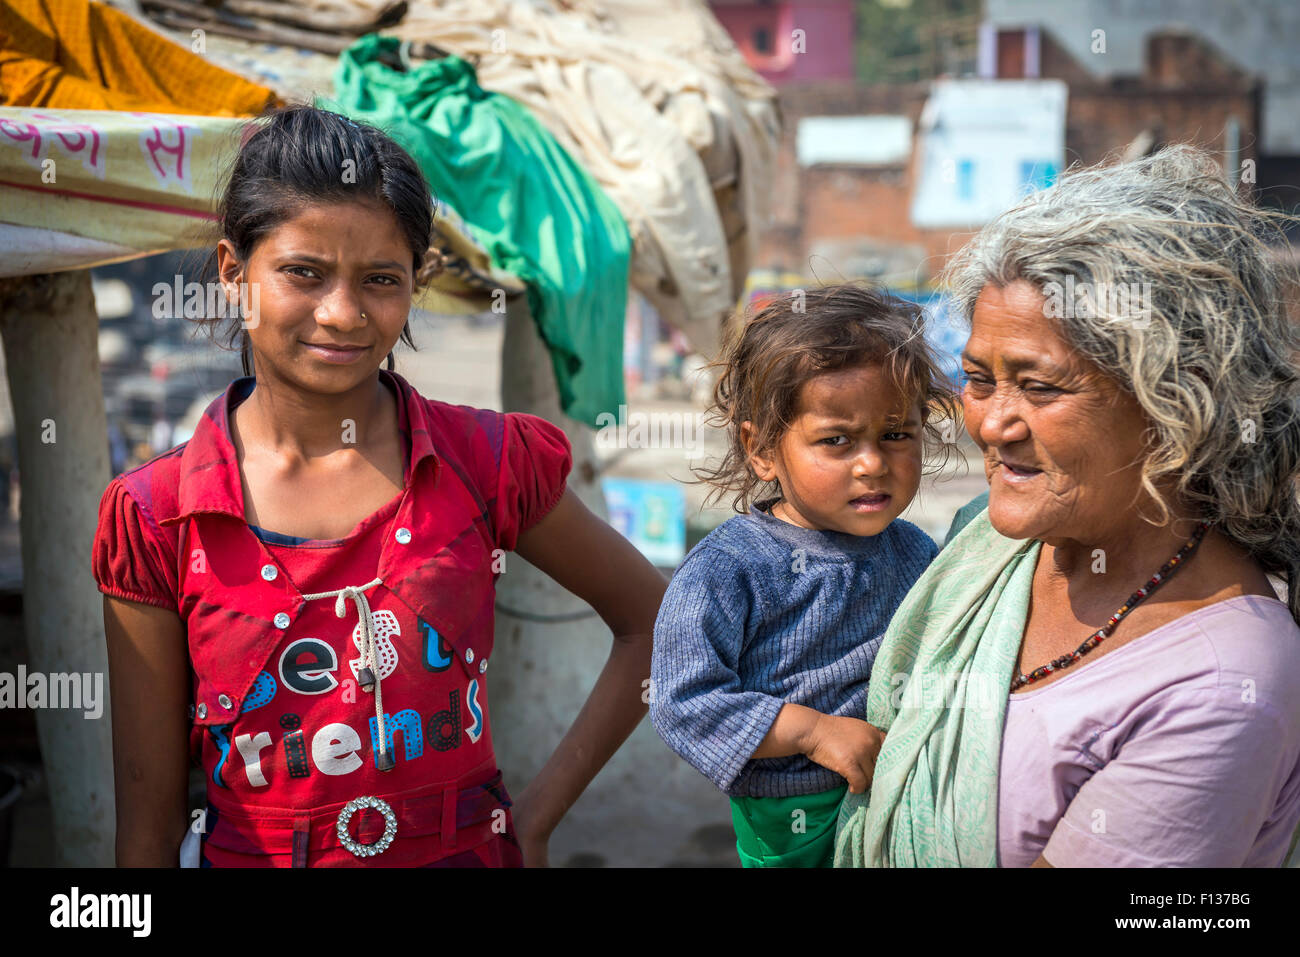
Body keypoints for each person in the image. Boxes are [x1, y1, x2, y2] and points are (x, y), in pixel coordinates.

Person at [91, 105, 667, 867]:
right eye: (304, 272)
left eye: (381, 279)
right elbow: (148, 834)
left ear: (415, 283)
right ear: (234, 273)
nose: (342, 313)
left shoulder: (481, 461)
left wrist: (534, 818)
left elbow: (655, 622)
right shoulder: (158, 517)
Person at [836, 145, 1300, 868]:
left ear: (1178, 400)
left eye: (1041, 386)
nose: (992, 424)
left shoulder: (1221, 682)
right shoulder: (989, 546)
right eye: (980, 378)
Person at [650, 284, 960, 867]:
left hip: (902, 789)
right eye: (836, 440)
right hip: (792, 819)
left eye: (896, 434)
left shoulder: (916, 550)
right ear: (762, 449)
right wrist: (816, 733)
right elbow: (684, 702)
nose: (872, 463)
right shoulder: (730, 569)